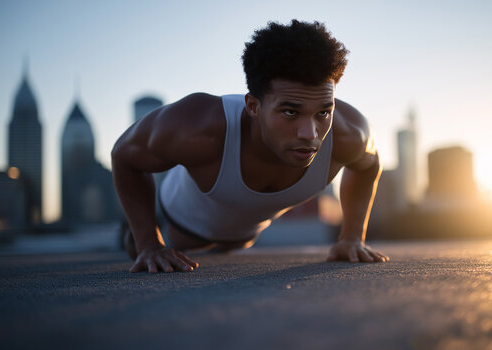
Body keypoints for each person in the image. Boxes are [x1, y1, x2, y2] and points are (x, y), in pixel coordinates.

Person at [111, 19, 388, 273]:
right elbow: (124, 156)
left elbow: (368, 166)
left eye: (323, 112)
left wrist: (351, 237)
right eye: (291, 112)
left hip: (245, 234)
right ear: (253, 106)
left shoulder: (348, 134)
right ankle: (132, 233)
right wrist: (148, 242)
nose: (309, 133)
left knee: (234, 246)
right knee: (145, 244)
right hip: (180, 223)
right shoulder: (198, 128)